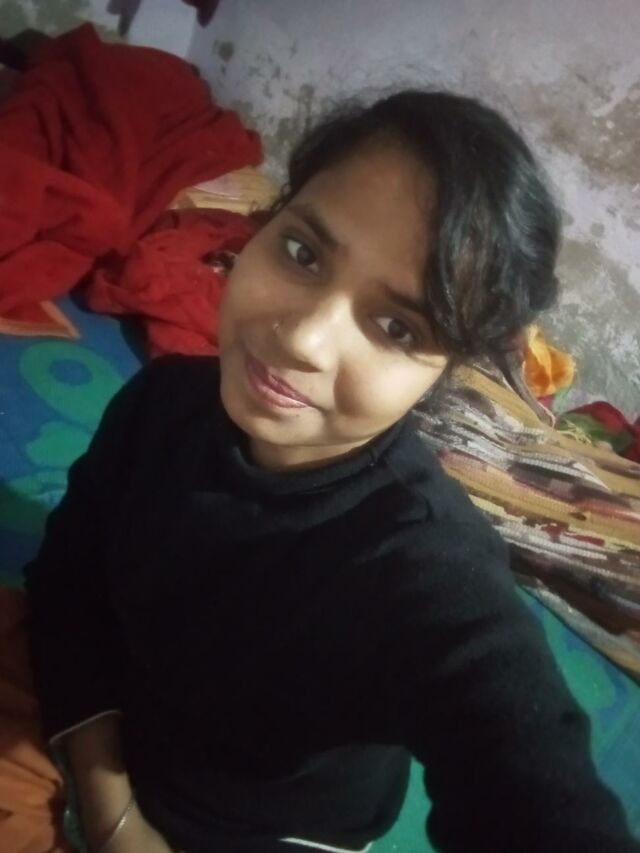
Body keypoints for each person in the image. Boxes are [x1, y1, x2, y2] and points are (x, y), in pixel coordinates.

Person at [23, 90, 640, 853]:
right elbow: (68, 578)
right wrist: (110, 808)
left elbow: (533, 788)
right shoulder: (161, 405)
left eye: (396, 326)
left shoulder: (427, 571)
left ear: (447, 368)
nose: (304, 339)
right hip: (97, 743)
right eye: (303, 253)